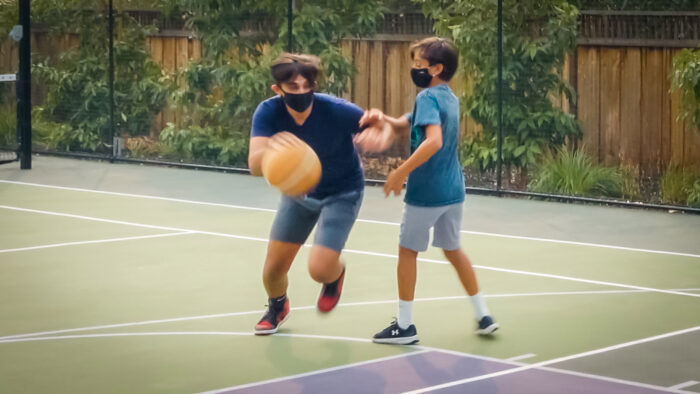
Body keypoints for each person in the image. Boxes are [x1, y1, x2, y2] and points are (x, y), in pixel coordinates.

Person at [357, 37, 499, 345]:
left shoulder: (427, 99)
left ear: (436, 68)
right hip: (453, 191)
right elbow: (414, 123)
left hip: (427, 193)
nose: (414, 69)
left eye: (419, 65)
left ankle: (405, 326)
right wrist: (387, 120)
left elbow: (432, 141)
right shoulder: (448, 97)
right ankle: (484, 315)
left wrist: (400, 172)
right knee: (453, 250)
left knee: (407, 252)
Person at [248, 52, 389, 335]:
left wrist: (379, 134)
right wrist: (276, 151)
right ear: (278, 89)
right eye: (293, 87)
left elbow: (380, 127)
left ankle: (334, 277)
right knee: (272, 270)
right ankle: (278, 306)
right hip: (297, 194)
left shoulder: (336, 109)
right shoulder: (268, 111)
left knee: (319, 270)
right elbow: (254, 165)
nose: (301, 92)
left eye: (307, 86)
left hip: (342, 192)